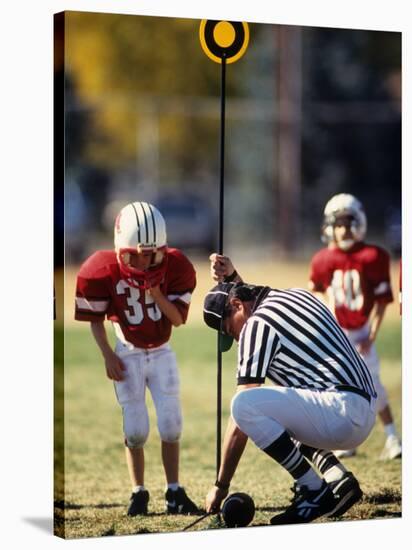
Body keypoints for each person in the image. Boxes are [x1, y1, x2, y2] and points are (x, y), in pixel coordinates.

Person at [203, 254, 377, 524]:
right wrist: (234, 276)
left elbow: (240, 421)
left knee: (244, 405)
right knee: (281, 400)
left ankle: (314, 491)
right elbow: (251, 296)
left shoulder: (256, 326)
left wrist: (221, 484)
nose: (236, 339)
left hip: (339, 415)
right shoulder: (295, 296)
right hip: (362, 408)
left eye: (230, 330)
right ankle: (336, 478)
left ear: (237, 305)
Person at [75, 201, 199, 517]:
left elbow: (178, 320)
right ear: (120, 250)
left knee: (171, 425)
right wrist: (107, 355)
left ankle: (174, 491)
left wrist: (157, 293)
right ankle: (138, 492)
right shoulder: (101, 270)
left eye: (151, 254)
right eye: (135, 254)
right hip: (128, 352)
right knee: (136, 429)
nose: (144, 261)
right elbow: (96, 319)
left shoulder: (176, 267)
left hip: (161, 351)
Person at [309, 193, 401, 460]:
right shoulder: (322, 259)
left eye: (349, 223)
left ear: (359, 223)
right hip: (337, 334)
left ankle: (393, 437)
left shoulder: (373, 256)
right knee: (338, 389)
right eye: (338, 224)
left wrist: (371, 335)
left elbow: (383, 301)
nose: (344, 229)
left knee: (374, 386)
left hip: (361, 332)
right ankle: (347, 440)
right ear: (329, 227)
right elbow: (314, 292)